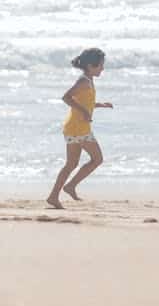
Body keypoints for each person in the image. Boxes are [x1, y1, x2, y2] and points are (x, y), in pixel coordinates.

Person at [46, 48, 113, 209]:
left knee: (71, 164)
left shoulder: (88, 80)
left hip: (73, 127)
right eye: (101, 66)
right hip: (79, 128)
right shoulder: (83, 81)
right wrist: (84, 111)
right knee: (97, 159)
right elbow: (66, 97)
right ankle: (69, 186)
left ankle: (54, 196)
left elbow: (85, 102)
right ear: (91, 66)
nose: (102, 68)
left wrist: (100, 105)